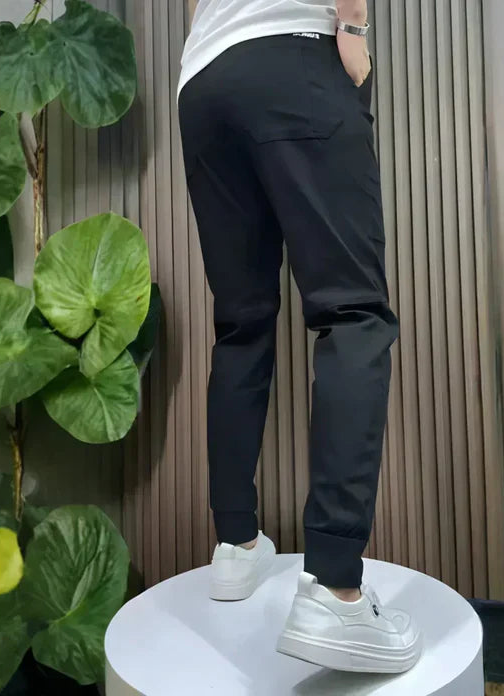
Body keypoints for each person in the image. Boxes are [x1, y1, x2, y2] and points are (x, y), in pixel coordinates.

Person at [177, 0, 422, 673]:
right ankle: (336, 590)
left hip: (204, 80)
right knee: (353, 315)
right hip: (292, 55)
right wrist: (354, 30)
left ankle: (235, 545)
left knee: (241, 322)